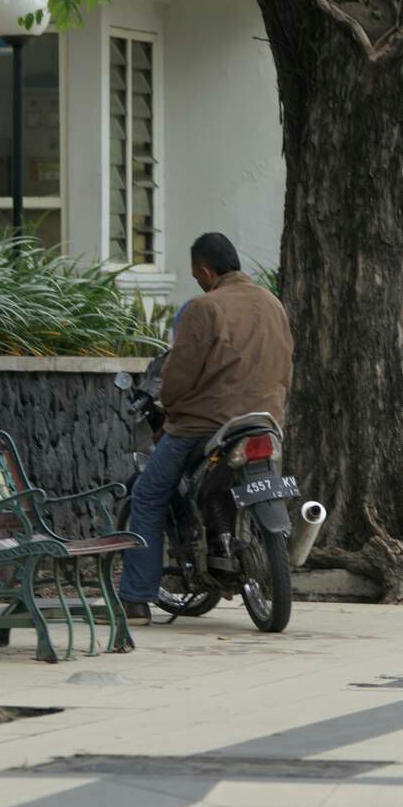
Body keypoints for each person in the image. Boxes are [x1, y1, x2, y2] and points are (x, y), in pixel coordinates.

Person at [119, 233, 294, 624]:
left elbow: (178, 375)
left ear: (204, 270)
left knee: (148, 494)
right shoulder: (272, 303)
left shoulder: (204, 307)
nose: (198, 281)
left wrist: (171, 411)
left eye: (197, 275)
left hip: (205, 425)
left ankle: (135, 599)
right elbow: (286, 363)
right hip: (263, 422)